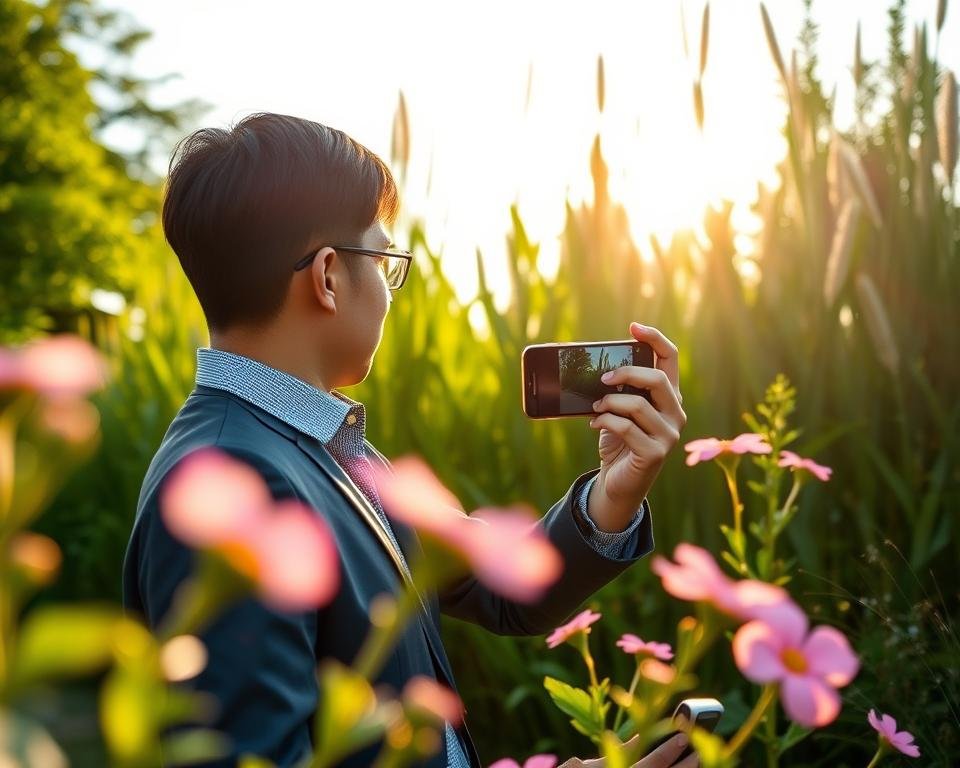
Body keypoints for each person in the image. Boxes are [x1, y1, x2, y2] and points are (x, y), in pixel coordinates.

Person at [121, 113, 689, 768]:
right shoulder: (233, 489)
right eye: (387, 263)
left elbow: (497, 583)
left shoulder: (322, 445)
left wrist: (612, 497)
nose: (390, 295)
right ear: (328, 276)